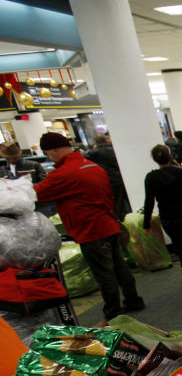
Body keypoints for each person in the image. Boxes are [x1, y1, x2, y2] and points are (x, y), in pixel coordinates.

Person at [33, 132, 144, 322]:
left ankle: (113, 310)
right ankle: (133, 300)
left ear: (54, 150)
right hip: (108, 223)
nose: (49, 157)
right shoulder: (92, 166)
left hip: (90, 229)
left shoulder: (63, 173)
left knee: (104, 272)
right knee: (119, 266)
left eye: (49, 153)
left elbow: (35, 195)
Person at [143, 144, 182, 294]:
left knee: (181, 248)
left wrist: (147, 224)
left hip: (169, 218)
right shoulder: (180, 173)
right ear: (169, 156)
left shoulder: (151, 178)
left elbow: (149, 201)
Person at [85, 133, 131, 222]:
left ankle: (123, 223)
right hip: (122, 179)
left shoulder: (95, 152)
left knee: (118, 205)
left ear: (96, 142)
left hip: (111, 182)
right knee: (129, 201)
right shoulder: (114, 149)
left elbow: (83, 156)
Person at [1, 140, 52, 216]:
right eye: (8, 158)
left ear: (20, 153)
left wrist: (26, 188)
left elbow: (46, 183)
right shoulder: (2, 170)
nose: (11, 160)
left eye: (14, 158)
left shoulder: (34, 165)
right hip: (14, 211)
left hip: (39, 207)